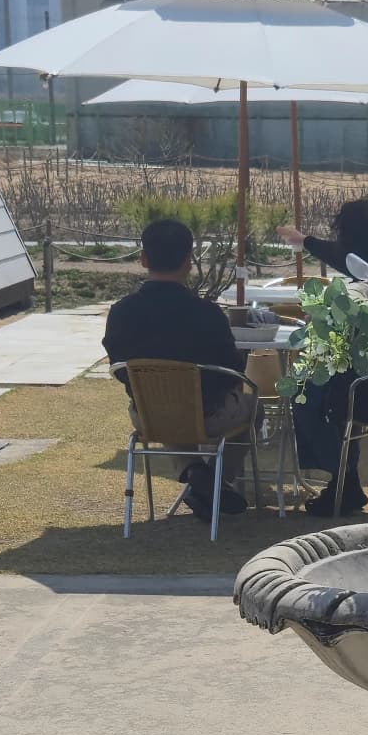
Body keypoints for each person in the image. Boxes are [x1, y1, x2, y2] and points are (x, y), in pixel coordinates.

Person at [102, 213, 253, 519]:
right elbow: (232, 369)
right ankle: (216, 481)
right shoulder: (208, 314)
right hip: (209, 415)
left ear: (143, 259)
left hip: (149, 415)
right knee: (253, 407)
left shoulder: (120, 313)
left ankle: (197, 474)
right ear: (188, 260)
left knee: (167, 400)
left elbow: (120, 370)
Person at [286, 189, 368, 518]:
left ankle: (343, 479)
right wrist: (308, 241)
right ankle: (344, 481)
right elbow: (344, 257)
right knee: (336, 389)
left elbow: (345, 260)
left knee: (307, 392)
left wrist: (306, 241)